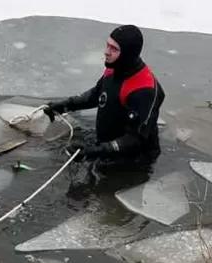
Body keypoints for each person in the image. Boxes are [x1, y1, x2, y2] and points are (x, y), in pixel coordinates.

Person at [43, 25, 165, 167]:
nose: (106, 52)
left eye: (114, 49)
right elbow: (97, 95)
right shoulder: (114, 67)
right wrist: (64, 105)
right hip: (106, 147)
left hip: (133, 161)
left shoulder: (144, 89)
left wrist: (94, 151)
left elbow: (135, 139)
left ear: (128, 53)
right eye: (107, 45)